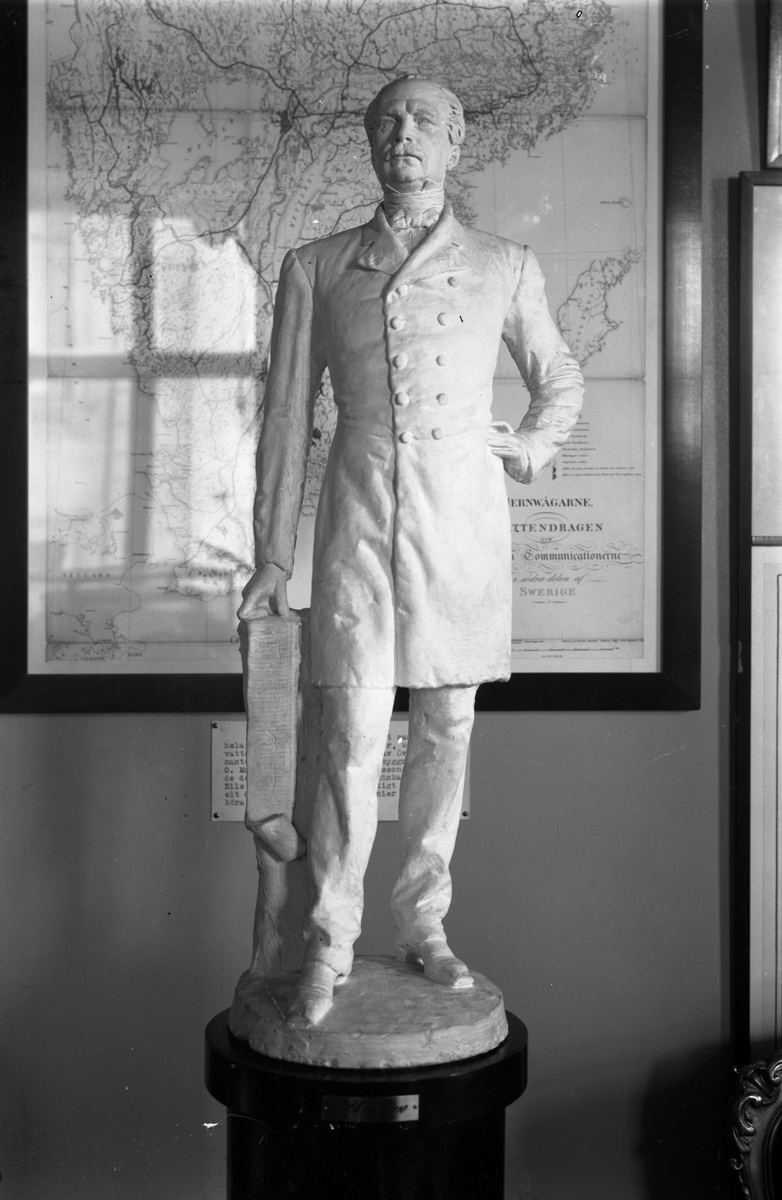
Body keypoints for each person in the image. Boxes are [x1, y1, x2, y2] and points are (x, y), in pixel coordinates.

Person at [238, 75, 584, 1023]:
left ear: (455, 143)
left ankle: (425, 924)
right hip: (357, 516)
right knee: (349, 731)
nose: (404, 134)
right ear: (369, 145)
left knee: (446, 727)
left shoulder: (503, 263)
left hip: (461, 523)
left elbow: (559, 377)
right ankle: (328, 941)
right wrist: (272, 556)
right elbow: (283, 422)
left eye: (424, 121)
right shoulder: (317, 265)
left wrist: (528, 445)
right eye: (388, 121)